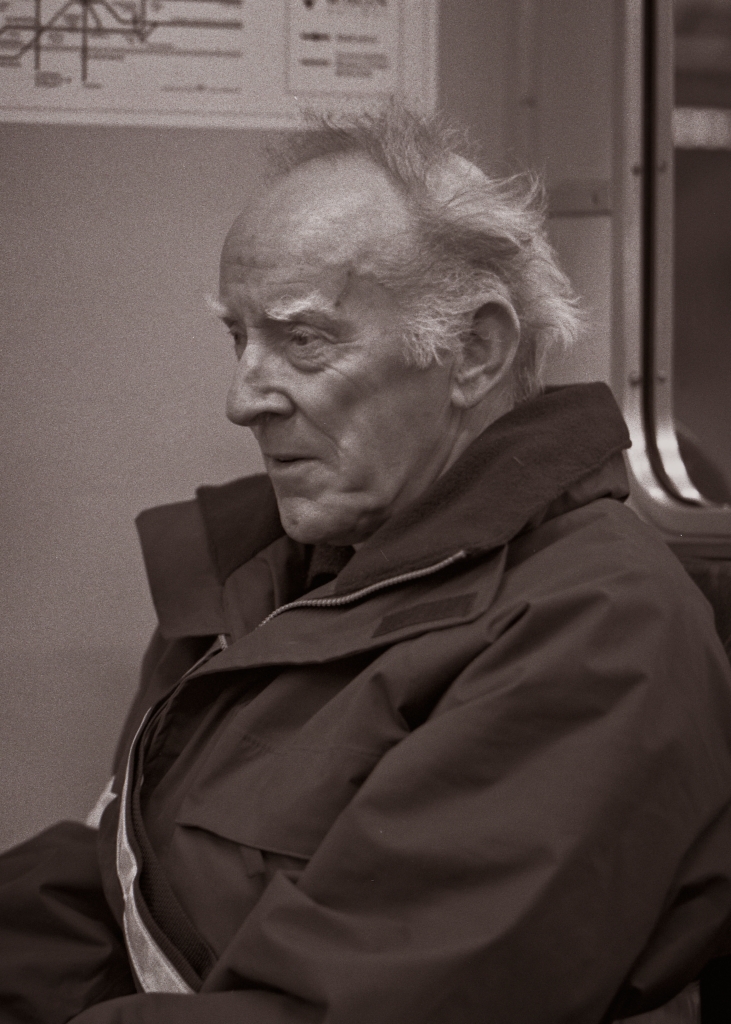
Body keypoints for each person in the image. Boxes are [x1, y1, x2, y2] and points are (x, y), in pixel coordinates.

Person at [2, 103, 731, 1024]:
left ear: (474, 351)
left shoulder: (595, 632)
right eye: (238, 338)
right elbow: (121, 877)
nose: (242, 399)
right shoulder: (270, 570)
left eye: (302, 340)